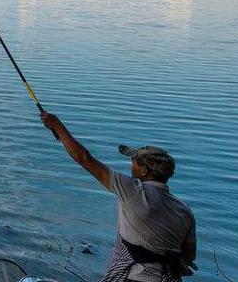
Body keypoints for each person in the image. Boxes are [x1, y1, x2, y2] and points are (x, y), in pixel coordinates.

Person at [41, 111, 196, 282]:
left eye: (134, 162)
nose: (131, 166)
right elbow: (189, 257)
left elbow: (84, 159)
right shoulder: (185, 211)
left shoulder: (132, 191)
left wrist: (57, 126)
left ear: (144, 171)